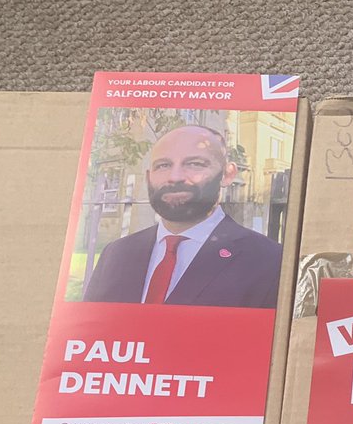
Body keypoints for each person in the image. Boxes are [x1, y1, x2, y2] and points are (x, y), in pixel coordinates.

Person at [83, 125, 282, 308]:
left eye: (194, 164)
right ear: (148, 177)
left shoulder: (270, 261)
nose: (175, 177)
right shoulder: (116, 253)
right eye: (163, 165)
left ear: (227, 175)